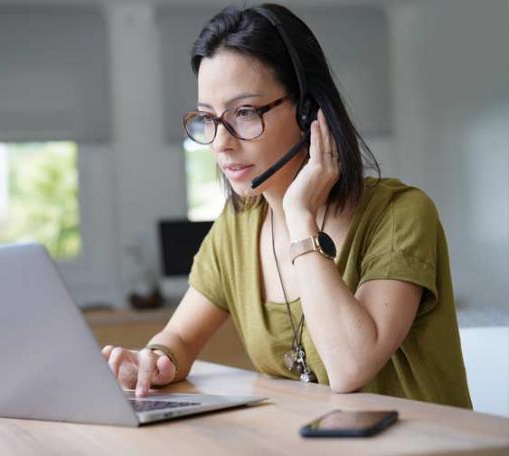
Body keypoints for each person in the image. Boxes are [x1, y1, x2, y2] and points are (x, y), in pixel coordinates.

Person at [102, 3, 472, 409]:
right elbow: (180, 338)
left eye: (243, 113)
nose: (221, 143)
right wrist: (154, 360)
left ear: (307, 110)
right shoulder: (238, 227)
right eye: (208, 118)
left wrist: (300, 214)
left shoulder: (402, 215)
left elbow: (349, 366)